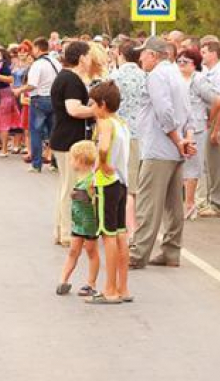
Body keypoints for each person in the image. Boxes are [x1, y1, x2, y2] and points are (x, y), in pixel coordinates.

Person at [129, 36, 196, 269]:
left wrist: (178, 140)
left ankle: (138, 253)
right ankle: (171, 251)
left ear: (154, 55)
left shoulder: (157, 75)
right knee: (172, 204)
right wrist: (187, 137)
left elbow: (163, 111)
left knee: (148, 203)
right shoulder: (176, 74)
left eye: (143, 53)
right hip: (175, 148)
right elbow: (188, 110)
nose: (140, 58)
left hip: (159, 146)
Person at [87, 80, 132, 305]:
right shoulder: (121, 122)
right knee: (120, 233)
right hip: (122, 182)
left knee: (108, 235)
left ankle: (110, 289)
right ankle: (122, 287)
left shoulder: (104, 123)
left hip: (107, 182)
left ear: (102, 104)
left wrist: (102, 164)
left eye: (93, 103)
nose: (91, 107)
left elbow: (103, 147)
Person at [50, 41, 95, 247]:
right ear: (82, 57)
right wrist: (96, 110)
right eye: (89, 55)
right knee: (71, 188)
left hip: (63, 136)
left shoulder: (65, 77)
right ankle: (68, 232)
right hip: (70, 139)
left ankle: (61, 230)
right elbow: (74, 109)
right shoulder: (71, 80)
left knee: (65, 186)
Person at [177, 47, 220, 220]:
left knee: (192, 166)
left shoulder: (199, 80)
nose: (181, 65)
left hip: (195, 127)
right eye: (179, 61)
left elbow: (218, 101)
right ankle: (186, 202)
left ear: (194, 64)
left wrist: (208, 120)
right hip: (180, 127)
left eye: (185, 62)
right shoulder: (177, 79)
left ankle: (190, 203)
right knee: (181, 165)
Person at [109, 39, 147, 241]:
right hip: (142, 133)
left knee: (124, 184)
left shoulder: (115, 76)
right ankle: (136, 225)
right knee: (138, 182)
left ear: (121, 55)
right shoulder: (145, 76)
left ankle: (129, 230)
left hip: (120, 133)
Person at [56, 140, 100, 298]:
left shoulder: (91, 180)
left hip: (89, 223)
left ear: (81, 160)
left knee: (91, 251)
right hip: (78, 223)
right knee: (73, 251)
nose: (70, 162)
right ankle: (63, 280)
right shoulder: (81, 178)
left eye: (73, 158)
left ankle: (91, 283)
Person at [16, 37, 61, 174]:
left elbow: (32, 84)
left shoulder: (37, 64)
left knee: (36, 132)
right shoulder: (56, 63)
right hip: (54, 99)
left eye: (33, 49)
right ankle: (55, 162)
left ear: (37, 48)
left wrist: (19, 90)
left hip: (39, 100)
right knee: (54, 132)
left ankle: (36, 164)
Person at [198, 39, 220, 217]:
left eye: (204, 52)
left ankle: (218, 202)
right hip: (207, 118)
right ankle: (211, 199)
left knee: (217, 162)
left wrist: (216, 128)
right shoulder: (207, 72)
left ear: (213, 54)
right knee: (208, 161)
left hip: (216, 118)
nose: (201, 56)